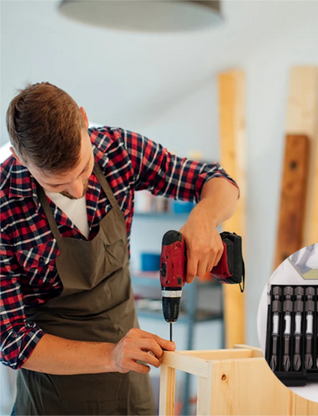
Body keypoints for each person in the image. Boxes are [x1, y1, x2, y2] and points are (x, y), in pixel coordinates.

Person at [0, 82, 239, 416]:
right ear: (18, 156)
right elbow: (12, 340)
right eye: (55, 184)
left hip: (129, 379)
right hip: (52, 393)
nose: (77, 188)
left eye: (83, 168)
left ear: (84, 120)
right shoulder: (4, 203)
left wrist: (203, 218)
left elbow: (217, 180)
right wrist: (111, 355)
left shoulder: (118, 150)